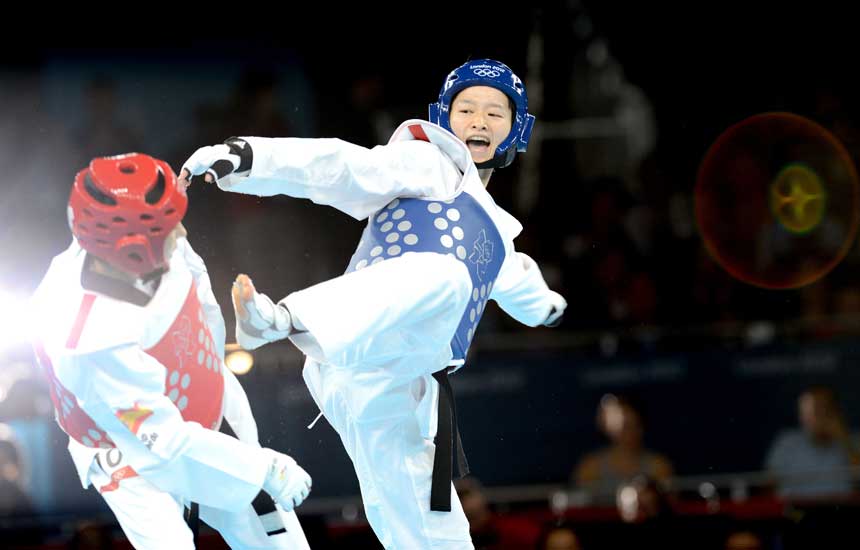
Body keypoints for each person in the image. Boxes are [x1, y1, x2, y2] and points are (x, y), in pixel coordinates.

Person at [181, 58, 567, 549]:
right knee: (448, 275)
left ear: (517, 131)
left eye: (496, 114)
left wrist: (552, 307)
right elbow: (340, 168)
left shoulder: (498, 239)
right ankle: (280, 318)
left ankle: (284, 320)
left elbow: (527, 292)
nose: (479, 122)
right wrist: (248, 157)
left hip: (396, 388)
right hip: (350, 337)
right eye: (467, 109)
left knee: (431, 533)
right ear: (444, 117)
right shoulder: (425, 163)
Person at [29, 153, 312, 549]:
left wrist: (245, 339)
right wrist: (262, 467)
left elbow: (202, 311)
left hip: (202, 403)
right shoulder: (84, 338)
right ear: (130, 248)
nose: (181, 232)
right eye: (169, 226)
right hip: (124, 448)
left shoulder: (156, 237)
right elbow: (160, 441)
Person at [573, 394, 674, 504]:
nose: (627, 432)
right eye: (623, 425)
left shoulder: (659, 466)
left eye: (633, 425)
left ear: (641, 426)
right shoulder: (589, 468)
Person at [765, 385, 860, 498]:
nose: (815, 416)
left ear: (835, 410)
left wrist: (844, 439)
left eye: (821, 408)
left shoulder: (852, 441)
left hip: (840, 508)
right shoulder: (787, 442)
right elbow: (767, 485)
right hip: (796, 511)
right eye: (808, 410)